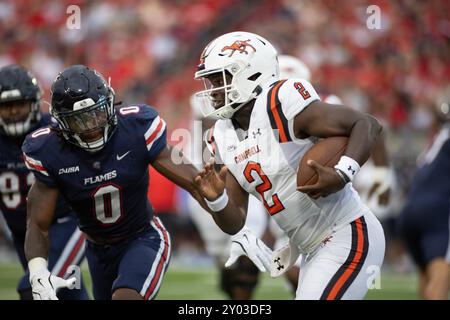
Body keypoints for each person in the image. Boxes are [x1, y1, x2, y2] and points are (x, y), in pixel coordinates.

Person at [193, 31, 385, 300]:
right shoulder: (220, 135)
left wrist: (343, 172)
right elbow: (235, 220)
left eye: (219, 78)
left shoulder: (279, 102)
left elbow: (366, 124)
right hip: (310, 247)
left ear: (251, 73)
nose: (212, 90)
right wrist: (216, 200)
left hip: (347, 232)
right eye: (209, 80)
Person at [21, 65, 222, 300]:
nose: (92, 126)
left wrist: (226, 210)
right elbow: (37, 224)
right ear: (62, 123)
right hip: (97, 249)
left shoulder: (136, 127)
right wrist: (37, 273)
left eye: (96, 113)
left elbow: (195, 183)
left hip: (143, 236)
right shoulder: (47, 150)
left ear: (109, 104)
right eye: (80, 120)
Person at [0, 64, 88, 300]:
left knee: (34, 287)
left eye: (19, 104)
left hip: (66, 223)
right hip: (24, 233)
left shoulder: (55, 131)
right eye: (6, 107)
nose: (14, 112)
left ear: (34, 102)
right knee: (67, 291)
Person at [186, 94, 269, 299]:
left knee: (240, 256)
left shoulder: (221, 129)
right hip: (210, 191)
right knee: (238, 256)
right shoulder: (211, 133)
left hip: (222, 189)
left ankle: (238, 286)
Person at [398, 99, 450, 300]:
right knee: (439, 285)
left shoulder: (435, 143)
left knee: (426, 279)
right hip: (438, 211)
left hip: (410, 211)